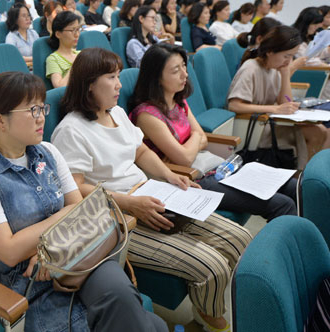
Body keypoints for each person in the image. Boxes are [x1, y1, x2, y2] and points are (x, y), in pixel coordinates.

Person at [51, 47, 252, 332]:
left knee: (240, 238)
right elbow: (76, 188)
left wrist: (171, 176)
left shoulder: (118, 113)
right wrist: (130, 204)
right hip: (116, 218)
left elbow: (141, 153)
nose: (119, 84)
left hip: (151, 193)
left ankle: (208, 308)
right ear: (89, 84)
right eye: (111, 77)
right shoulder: (71, 130)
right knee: (212, 265)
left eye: (119, 75)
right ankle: (212, 321)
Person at [0, 70, 168, 332]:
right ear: (1, 120)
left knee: (121, 294)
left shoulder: (48, 152)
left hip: (76, 257)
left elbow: (80, 208)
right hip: (29, 286)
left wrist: (50, 243)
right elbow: (9, 252)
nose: (42, 117)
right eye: (32, 110)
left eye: (42, 108)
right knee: (142, 323)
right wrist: (60, 221)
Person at [131, 43, 298, 221]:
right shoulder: (147, 114)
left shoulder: (179, 100)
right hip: (194, 179)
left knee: (292, 186)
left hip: (217, 167)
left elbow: (201, 138)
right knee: (282, 204)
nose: (185, 75)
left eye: (184, 67)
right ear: (156, 77)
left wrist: (194, 141)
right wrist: (196, 138)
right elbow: (184, 158)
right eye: (175, 71)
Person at [228, 25, 329, 161]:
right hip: (256, 127)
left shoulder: (274, 69)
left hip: (268, 121)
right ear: (270, 51)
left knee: (321, 131)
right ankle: (302, 175)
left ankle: (304, 173)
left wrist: (285, 74)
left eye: (292, 56)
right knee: (317, 133)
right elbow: (235, 105)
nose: (289, 61)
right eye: (286, 56)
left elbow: (285, 102)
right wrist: (274, 108)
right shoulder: (250, 69)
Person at [46, 11, 80, 88]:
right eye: (72, 30)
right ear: (58, 34)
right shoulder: (53, 59)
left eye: (78, 29)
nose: (77, 34)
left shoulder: (80, 54)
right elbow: (59, 87)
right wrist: (76, 65)